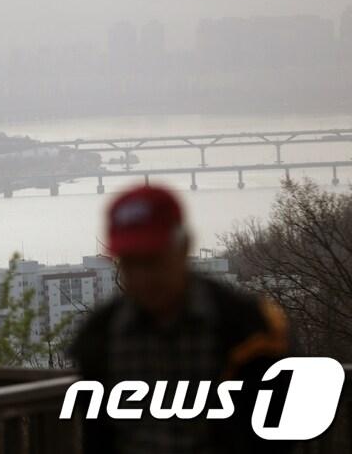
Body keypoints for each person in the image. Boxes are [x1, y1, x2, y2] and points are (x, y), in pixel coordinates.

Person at [68, 183, 293, 454]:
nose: (142, 277)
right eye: (129, 263)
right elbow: (98, 437)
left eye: (152, 261)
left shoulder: (249, 327)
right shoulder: (99, 337)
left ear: (183, 246)